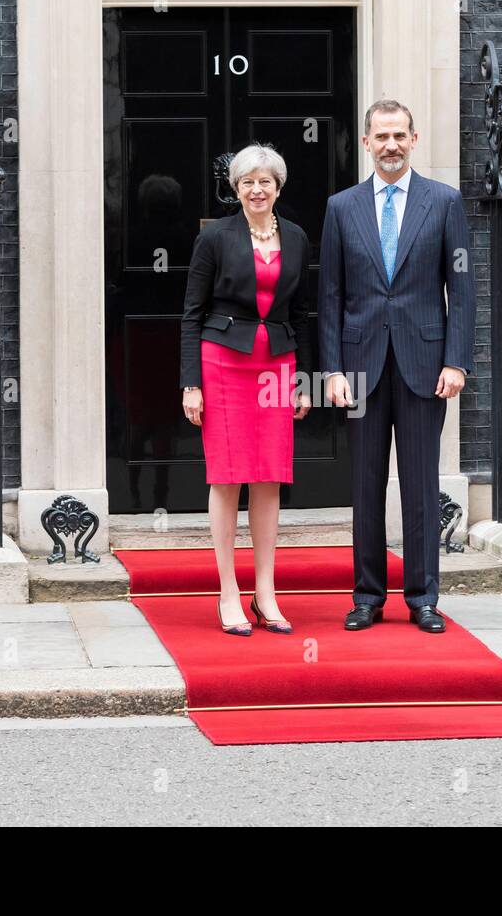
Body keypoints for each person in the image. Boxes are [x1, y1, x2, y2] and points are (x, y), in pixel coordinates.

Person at [318, 99, 475, 634]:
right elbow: (331, 295)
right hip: (360, 367)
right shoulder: (342, 207)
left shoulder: (444, 202)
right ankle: (367, 596)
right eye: (380, 136)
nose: (390, 145)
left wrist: (457, 361)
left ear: (415, 139)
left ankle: (424, 597)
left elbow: (464, 292)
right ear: (366, 143)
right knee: (364, 485)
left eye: (398, 136)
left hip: (424, 366)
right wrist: (332, 369)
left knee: (420, 485)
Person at [180, 144, 313, 636]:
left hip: (277, 363)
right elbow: (192, 314)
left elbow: (301, 313)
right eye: (247, 183)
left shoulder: (297, 238)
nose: (257, 190)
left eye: (265, 182)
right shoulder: (216, 237)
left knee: (269, 476)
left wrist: (304, 382)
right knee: (228, 475)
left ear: (278, 187)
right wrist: (190, 382)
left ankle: (266, 591)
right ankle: (228, 593)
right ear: (236, 189)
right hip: (222, 362)